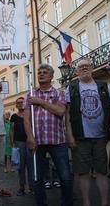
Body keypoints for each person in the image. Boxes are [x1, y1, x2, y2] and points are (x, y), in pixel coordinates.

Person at [65, 58, 110, 206]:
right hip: (81, 137)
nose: (84, 68)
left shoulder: (103, 86)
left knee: (102, 171)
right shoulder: (72, 87)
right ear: (76, 71)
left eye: (87, 66)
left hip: (101, 136)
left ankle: (104, 202)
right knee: (83, 172)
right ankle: (86, 203)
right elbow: (67, 113)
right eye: (80, 67)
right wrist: (69, 135)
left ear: (92, 68)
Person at [24, 63, 73, 206]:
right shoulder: (31, 94)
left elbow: (60, 111)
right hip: (37, 141)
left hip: (57, 140)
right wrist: (30, 137)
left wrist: (40, 102)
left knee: (65, 177)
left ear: (51, 76)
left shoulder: (59, 93)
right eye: (39, 72)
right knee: (38, 178)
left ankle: (67, 203)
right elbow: (26, 119)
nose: (41, 74)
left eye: (45, 72)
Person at [10, 97, 33, 196]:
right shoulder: (14, 116)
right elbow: (12, 130)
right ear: (16, 105)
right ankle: (22, 188)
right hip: (19, 143)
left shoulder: (30, 115)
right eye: (18, 103)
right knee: (21, 167)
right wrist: (13, 143)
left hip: (29, 143)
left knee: (31, 166)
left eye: (22, 102)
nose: (20, 104)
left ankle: (32, 188)